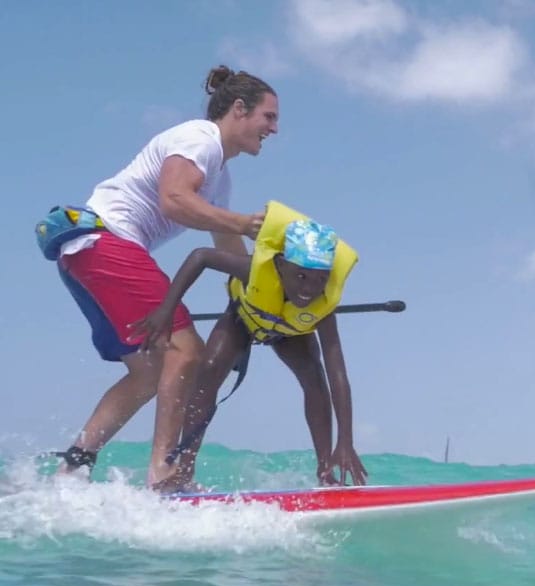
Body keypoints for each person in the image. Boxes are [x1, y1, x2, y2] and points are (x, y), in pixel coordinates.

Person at [36, 65, 277, 489]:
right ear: (239, 109)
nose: (273, 129)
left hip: (84, 256)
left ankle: (72, 470)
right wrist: (243, 223)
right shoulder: (200, 139)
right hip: (105, 242)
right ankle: (164, 473)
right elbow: (174, 199)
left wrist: (263, 299)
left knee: (149, 371)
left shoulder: (219, 176)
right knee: (185, 351)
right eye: (268, 117)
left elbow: (228, 248)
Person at [129, 200, 369, 489]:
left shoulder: (323, 306)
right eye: (301, 276)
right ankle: (184, 472)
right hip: (243, 319)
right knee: (208, 370)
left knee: (316, 382)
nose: (309, 289)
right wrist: (166, 310)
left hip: (290, 333)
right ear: (280, 265)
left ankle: (325, 472)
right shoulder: (252, 269)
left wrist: (345, 441)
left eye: (320, 280)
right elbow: (200, 256)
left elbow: (338, 375)